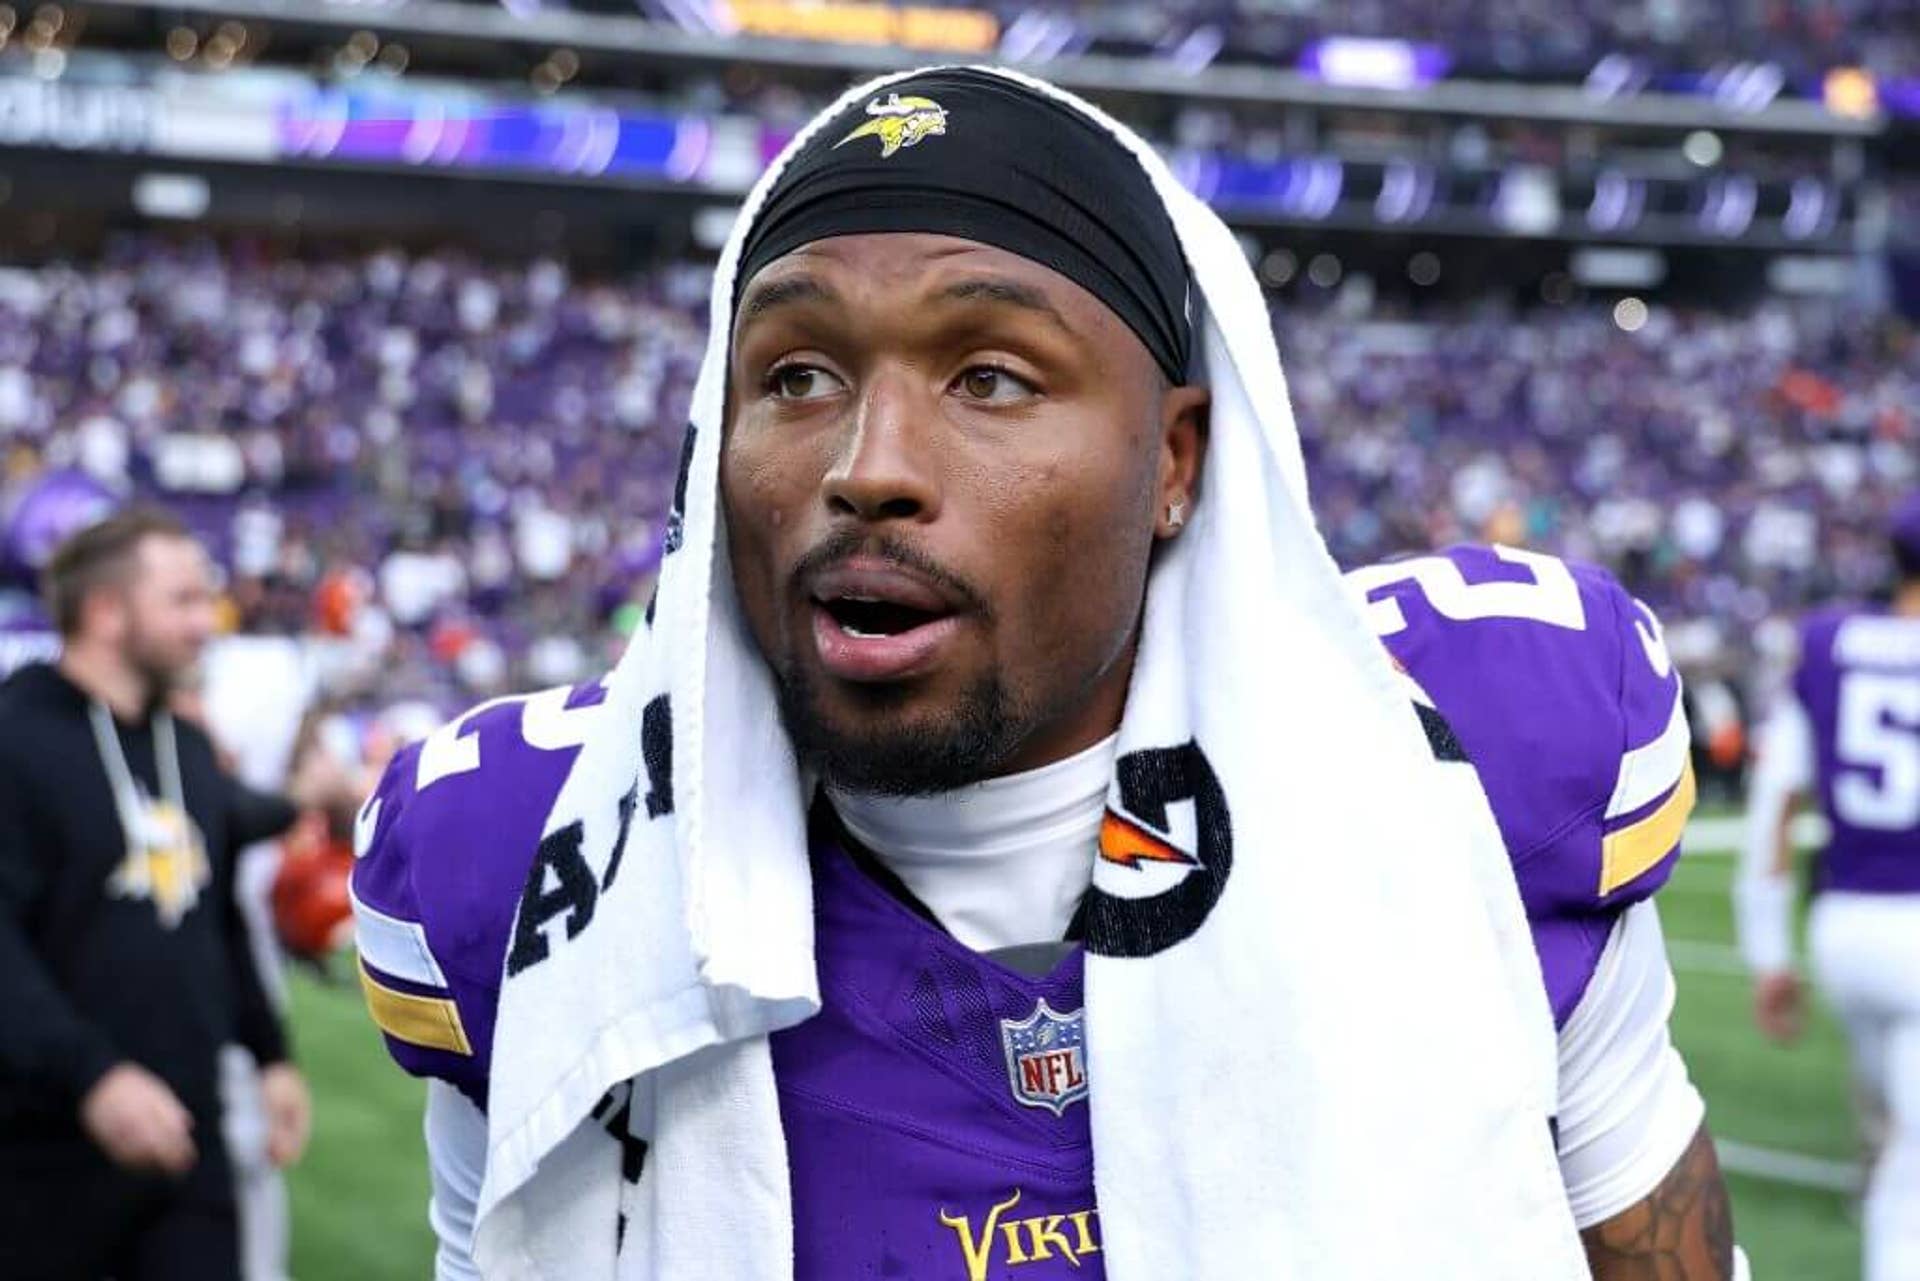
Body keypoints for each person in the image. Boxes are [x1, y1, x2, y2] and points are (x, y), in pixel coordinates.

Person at [354, 68, 1737, 1279]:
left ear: (1176, 462)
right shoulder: (537, 869)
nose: (868, 467)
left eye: (993, 376)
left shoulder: (1481, 767)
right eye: (795, 377)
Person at [0, 508, 316, 1281]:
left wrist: (272, 1054)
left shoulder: (189, 747)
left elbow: (217, 918)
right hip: (41, 1156)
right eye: (180, 600)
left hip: (189, 1140)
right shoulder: (16, 739)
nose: (205, 622)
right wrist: (92, 1076)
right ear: (106, 611)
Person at [1738, 493, 1920, 1281]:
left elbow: (1776, 806)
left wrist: (1770, 951)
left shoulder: (1828, 641)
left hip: (1846, 929)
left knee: (1900, 1147)